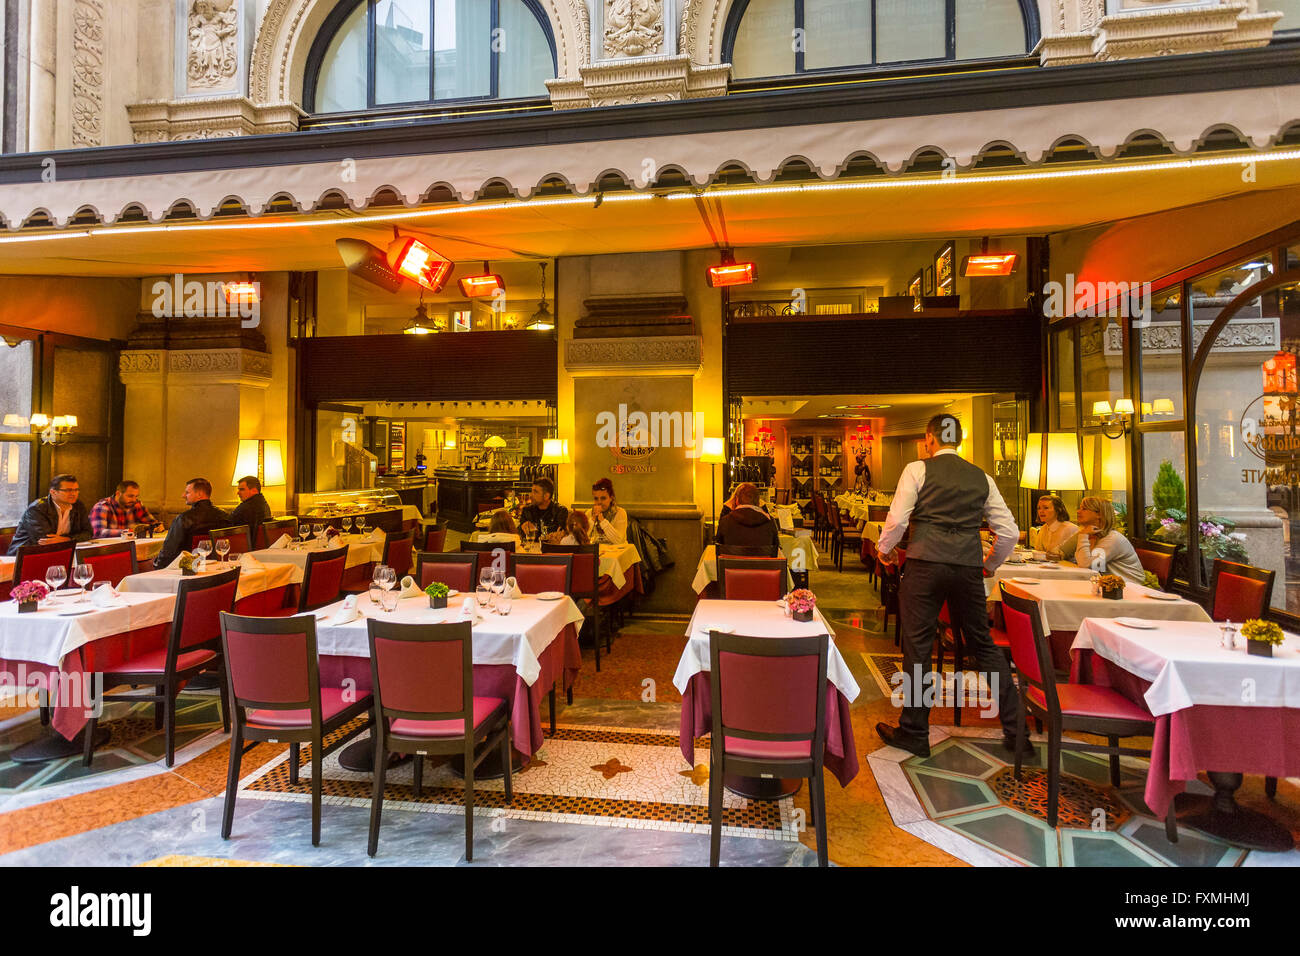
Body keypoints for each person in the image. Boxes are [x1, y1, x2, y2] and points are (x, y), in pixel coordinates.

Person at [874, 414, 1026, 759]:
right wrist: (988, 565)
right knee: (982, 645)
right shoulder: (981, 477)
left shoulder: (917, 469)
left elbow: (898, 519)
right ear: (959, 439)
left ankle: (914, 731)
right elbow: (1010, 532)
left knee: (918, 646)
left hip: (925, 564)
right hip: (968, 566)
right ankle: (1017, 726)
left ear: (930, 439)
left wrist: (884, 550)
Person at [153, 477, 233, 569]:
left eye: (187, 492)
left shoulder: (183, 519)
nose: (183, 495)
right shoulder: (225, 516)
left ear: (199, 494)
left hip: (188, 569)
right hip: (218, 567)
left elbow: (169, 552)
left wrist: (157, 566)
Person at [8, 474, 93, 553]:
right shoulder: (37, 508)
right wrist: (71, 539)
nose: (74, 494)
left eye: (76, 490)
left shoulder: (78, 506)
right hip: (26, 555)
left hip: (62, 552)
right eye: (68, 490)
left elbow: (88, 533)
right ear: (53, 492)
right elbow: (45, 540)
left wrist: (66, 539)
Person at [1073, 496, 1144, 584]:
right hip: (1107, 585)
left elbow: (1085, 565)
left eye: (1084, 509)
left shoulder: (1113, 539)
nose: (1078, 511)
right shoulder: (1093, 535)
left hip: (1130, 587)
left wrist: (1083, 535)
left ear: (1099, 514)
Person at [715, 482, 780, 552]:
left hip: (733, 562)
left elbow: (719, 548)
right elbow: (776, 548)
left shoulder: (725, 521)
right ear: (758, 502)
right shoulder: (769, 521)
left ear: (736, 501)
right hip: (761, 562)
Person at [88, 480, 156, 539]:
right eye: (130, 496)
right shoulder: (102, 507)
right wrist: (129, 531)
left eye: (136, 496)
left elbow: (152, 523)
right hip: (107, 549)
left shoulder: (136, 504)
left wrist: (157, 527)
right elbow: (99, 533)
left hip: (130, 546)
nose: (134, 500)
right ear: (118, 494)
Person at [230, 475, 273, 546]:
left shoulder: (246, 507)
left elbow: (229, 523)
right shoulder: (264, 504)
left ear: (254, 491)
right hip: (260, 548)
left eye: (242, 489)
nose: (238, 493)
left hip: (243, 547)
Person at [588, 477, 627, 545]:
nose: (599, 502)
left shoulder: (620, 513)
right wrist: (592, 520)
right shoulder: (589, 513)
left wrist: (602, 521)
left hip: (617, 552)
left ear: (611, 498)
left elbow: (619, 541)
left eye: (603, 498)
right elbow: (582, 539)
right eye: (596, 499)